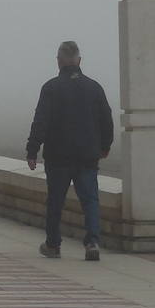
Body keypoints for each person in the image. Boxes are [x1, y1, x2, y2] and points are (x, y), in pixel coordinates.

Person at [26, 40, 113, 261]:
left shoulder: (51, 88)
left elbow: (40, 121)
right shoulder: (94, 88)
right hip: (87, 155)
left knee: (56, 201)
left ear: (59, 61)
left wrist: (32, 150)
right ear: (79, 60)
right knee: (90, 200)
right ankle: (92, 242)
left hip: (58, 156)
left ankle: (53, 244)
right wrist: (105, 146)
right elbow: (106, 119)